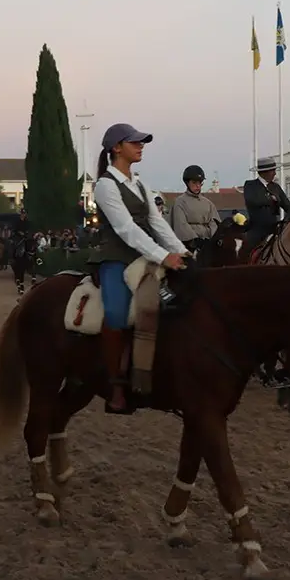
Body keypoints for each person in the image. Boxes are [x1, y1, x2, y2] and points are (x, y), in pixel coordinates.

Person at [87, 123, 190, 415]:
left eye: (141, 142)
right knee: (117, 314)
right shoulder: (106, 185)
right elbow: (126, 229)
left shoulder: (140, 183)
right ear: (116, 148)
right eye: (134, 142)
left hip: (146, 253)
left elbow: (157, 223)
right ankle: (116, 384)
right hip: (116, 257)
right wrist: (162, 256)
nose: (140, 146)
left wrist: (181, 252)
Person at [241, 156, 290, 254]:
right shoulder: (250, 185)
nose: (275, 173)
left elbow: (289, 207)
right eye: (273, 171)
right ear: (264, 172)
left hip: (275, 228)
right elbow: (252, 201)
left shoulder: (275, 187)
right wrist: (271, 199)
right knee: (246, 252)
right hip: (256, 229)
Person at [168, 164, 220, 252]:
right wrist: (194, 240)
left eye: (200, 183)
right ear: (187, 183)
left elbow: (215, 223)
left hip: (208, 242)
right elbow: (181, 225)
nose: (198, 186)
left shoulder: (208, 203)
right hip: (189, 245)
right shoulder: (180, 202)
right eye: (194, 183)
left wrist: (214, 239)